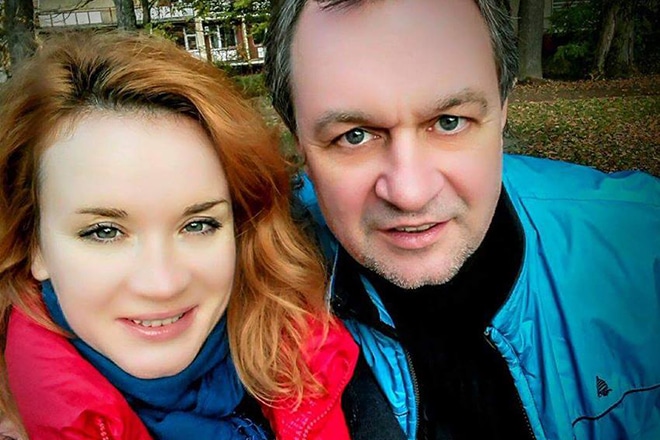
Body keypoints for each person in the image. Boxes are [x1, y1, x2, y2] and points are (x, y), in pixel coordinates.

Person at [264, 0, 660, 439]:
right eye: (353, 136)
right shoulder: (241, 297)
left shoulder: (645, 249)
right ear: (298, 140)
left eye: (450, 122)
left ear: (503, 108)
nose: (410, 193)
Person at [0, 31, 357, 439]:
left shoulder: (309, 361)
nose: (163, 284)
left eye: (198, 224)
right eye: (104, 231)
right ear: (35, 245)